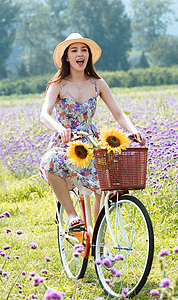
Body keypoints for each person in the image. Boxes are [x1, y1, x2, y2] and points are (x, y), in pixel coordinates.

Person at [40, 33, 146, 229]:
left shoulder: (97, 83)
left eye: (83, 50)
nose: (80, 54)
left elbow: (119, 114)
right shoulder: (58, 85)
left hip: (91, 138)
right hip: (67, 140)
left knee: (106, 184)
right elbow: (44, 115)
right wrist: (61, 129)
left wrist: (134, 130)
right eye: (74, 50)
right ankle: (72, 217)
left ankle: (99, 237)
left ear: (88, 55)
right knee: (49, 162)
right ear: (66, 57)